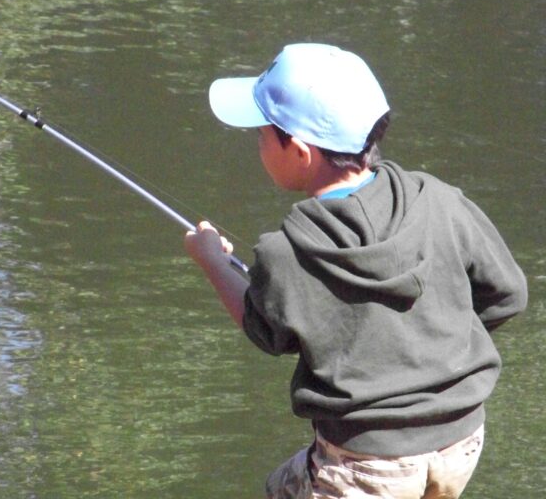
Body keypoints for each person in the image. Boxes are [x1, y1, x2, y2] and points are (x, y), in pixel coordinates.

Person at [184, 43, 528, 499]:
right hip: (461, 440)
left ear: (302, 153)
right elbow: (508, 294)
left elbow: (265, 331)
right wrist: (435, 348)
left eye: (263, 133)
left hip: (366, 464)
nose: (258, 142)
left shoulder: (287, 251)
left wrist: (211, 259)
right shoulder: (440, 200)